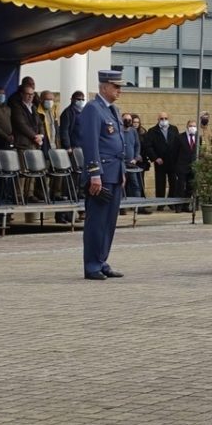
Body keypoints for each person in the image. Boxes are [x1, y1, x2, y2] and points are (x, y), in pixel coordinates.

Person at [76, 69, 126, 280]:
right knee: (96, 221)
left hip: (115, 173)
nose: (119, 91)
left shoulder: (112, 110)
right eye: (116, 87)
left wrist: (122, 172)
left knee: (109, 222)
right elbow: (90, 144)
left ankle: (102, 260)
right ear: (104, 87)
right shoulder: (92, 109)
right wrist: (94, 174)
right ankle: (92, 265)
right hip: (102, 175)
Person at [141, 113, 176, 202]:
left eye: (165, 118)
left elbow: (177, 143)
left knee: (174, 182)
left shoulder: (174, 129)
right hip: (160, 161)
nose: (164, 120)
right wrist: (155, 158)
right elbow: (148, 146)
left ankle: (171, 202)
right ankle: (160, 203)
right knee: (160, 183)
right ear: (158, 119)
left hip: (172, 160)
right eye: (161, 118)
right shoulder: (152, 131)